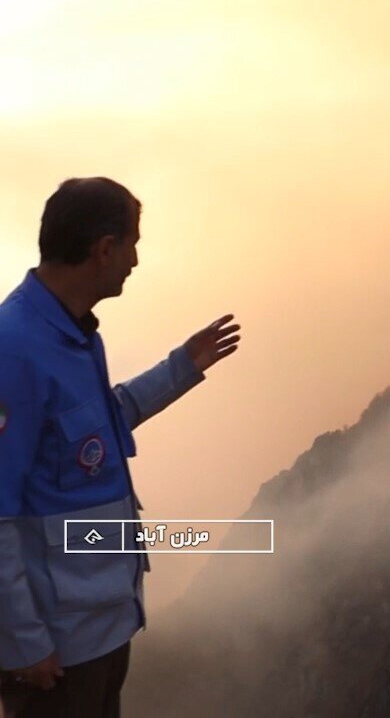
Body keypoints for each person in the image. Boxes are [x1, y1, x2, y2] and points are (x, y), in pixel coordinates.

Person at [0, 177, 241, 717]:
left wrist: (182, 368)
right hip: (55, 656)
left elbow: (96, 428)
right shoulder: (12, 350)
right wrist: (23, 643)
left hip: (104, 631)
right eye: (132, 244)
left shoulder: (77, 336)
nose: (135, 260)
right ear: (104, 249)